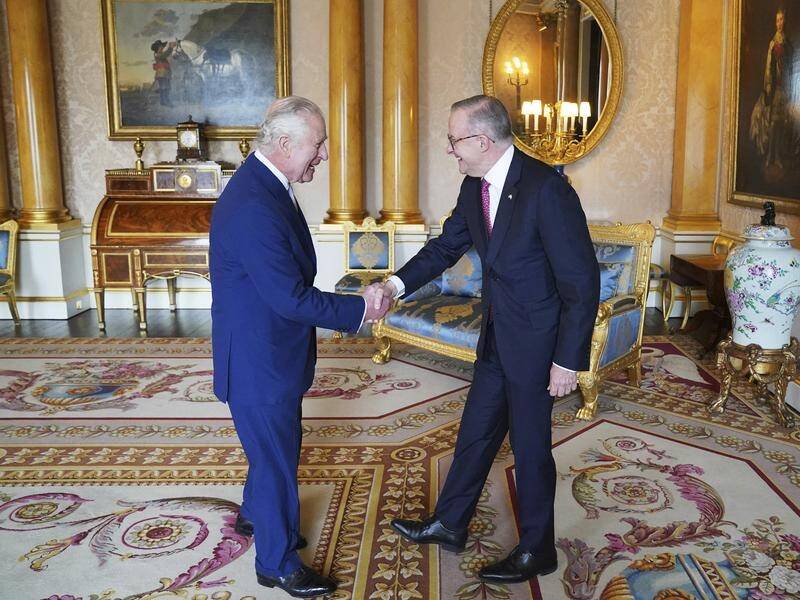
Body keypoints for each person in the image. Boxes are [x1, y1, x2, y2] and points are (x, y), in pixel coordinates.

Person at [368, 95, 599, 583]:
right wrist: (394, 285)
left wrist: (567, 360)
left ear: (482, 140)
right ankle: (450, 522)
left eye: (454, 140)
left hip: (538, 343)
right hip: (496, 334)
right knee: (475, 433)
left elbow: (580, 281)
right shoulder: (475, 187)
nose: (450, 149)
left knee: (531, 448)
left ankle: (539, 549)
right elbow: (447, 245)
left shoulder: (546, 189)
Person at [209, 96, 391, 598]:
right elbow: (290, 298)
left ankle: (254, 518)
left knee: (270, 448)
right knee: (275, 459)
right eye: (318, 144)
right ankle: (277, 560)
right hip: (257, 359)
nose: (325, 155)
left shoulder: (268, 184)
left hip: (266, 350)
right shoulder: (252, 204)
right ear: (285, 143)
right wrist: (361, 310)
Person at [749, 7, 793, 171]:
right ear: (775, 22)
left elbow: (791, 68)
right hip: (774, 89)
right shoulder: (772, 44)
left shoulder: (788, 43)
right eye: (777, 20)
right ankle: (770, 156)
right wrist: (768, 87)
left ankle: (778, 156)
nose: (780, 23)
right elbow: (768, 68)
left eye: (782, 20)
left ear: (785, 21)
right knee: (774, 123)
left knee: (781, 123)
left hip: (785, 88)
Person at [151, 39, 176, 107]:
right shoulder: (158, 54)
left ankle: (163, 101)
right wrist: (170, 47)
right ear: (157, 48)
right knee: (164, 87)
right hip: (162, 74)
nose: (162, 48)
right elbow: (165, 55)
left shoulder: (160, 54)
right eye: (161, 47)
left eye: (162, 47)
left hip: (164, 74)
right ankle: (165, 101)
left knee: (165, 87)